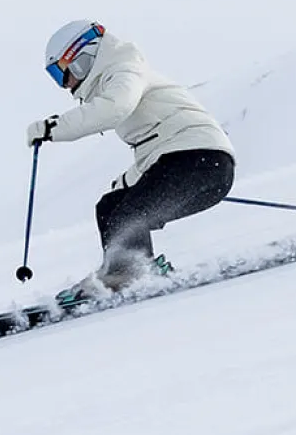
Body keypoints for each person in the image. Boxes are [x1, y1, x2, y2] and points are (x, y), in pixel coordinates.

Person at [26, 20, 236, 306]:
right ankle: (125, 271)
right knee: (111, 207)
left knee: (128, 216)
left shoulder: (124, 71)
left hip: (197, 160)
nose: (65, 84)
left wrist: (55, 127)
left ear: (80, 59)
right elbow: (154, 146)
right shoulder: (120, 78)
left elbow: (115, 109)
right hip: (196, 164)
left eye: (61, 73)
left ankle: (132, 275)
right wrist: (124, 185)